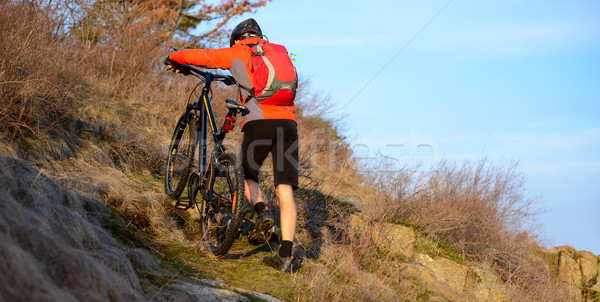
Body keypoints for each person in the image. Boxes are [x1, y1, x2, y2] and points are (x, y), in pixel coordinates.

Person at [164, 18, 299, 273]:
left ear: (237, 39)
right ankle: (285, 257)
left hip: (259, 120)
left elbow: (201, 56)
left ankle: (262, 212)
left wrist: (174, 57)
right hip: (288, 123)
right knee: (285, 190)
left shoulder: (238, 50)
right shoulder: (280, 53)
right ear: (260, 36)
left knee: (246, 177)